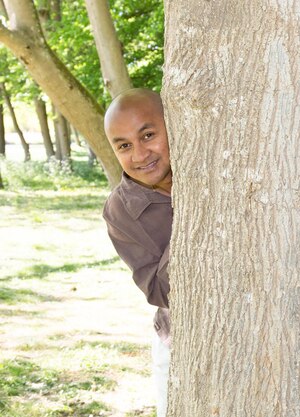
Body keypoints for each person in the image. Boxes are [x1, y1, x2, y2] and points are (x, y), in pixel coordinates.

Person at [102, 88, 172, 417]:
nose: (140, 154)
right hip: (181, 341)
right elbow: (159, 291)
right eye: (125, 146)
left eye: (148, 135)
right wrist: (193, 214)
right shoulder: (121, 210)